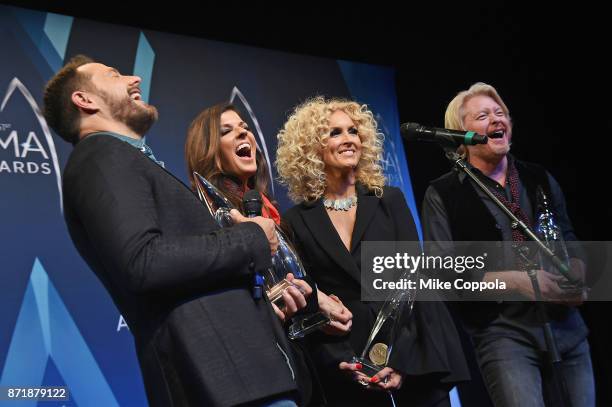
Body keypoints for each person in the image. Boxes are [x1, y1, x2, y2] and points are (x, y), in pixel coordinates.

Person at [44, 55, 308, 407]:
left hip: (242, 380)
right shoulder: (100, 156)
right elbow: (143, 261)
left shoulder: (121, 158)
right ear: (85, 100)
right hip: (225, 382)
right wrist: (253, 238)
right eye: (114, 75)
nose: (135, 78)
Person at [276, 97, 469, 406]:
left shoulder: (388, 200)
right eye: (335, 132)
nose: (349, 139)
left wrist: (400, 359)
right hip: (349, 372)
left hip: (412, 361)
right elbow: (311, 303)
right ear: (311, 148)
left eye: (353, 131)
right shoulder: (296, 220)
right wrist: (341, 361)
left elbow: (414, 284)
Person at [421, 82, 595, 406]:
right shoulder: (442, 194)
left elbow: (568, 234)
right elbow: (445, 273)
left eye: (501, 113)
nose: (496, 120)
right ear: (462, 134)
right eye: (483, 115)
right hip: (503, 335)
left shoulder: (538, 177)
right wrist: (520, 284)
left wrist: (578, 269)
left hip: (567, 328)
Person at [184, 102, 355, 405]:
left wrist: (317, 303)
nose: (243, 134)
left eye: (245, 128)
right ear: (209, 148)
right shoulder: (204, 213)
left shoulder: (271, 210)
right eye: (228, 131)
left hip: (306, 360)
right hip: (261, 371)